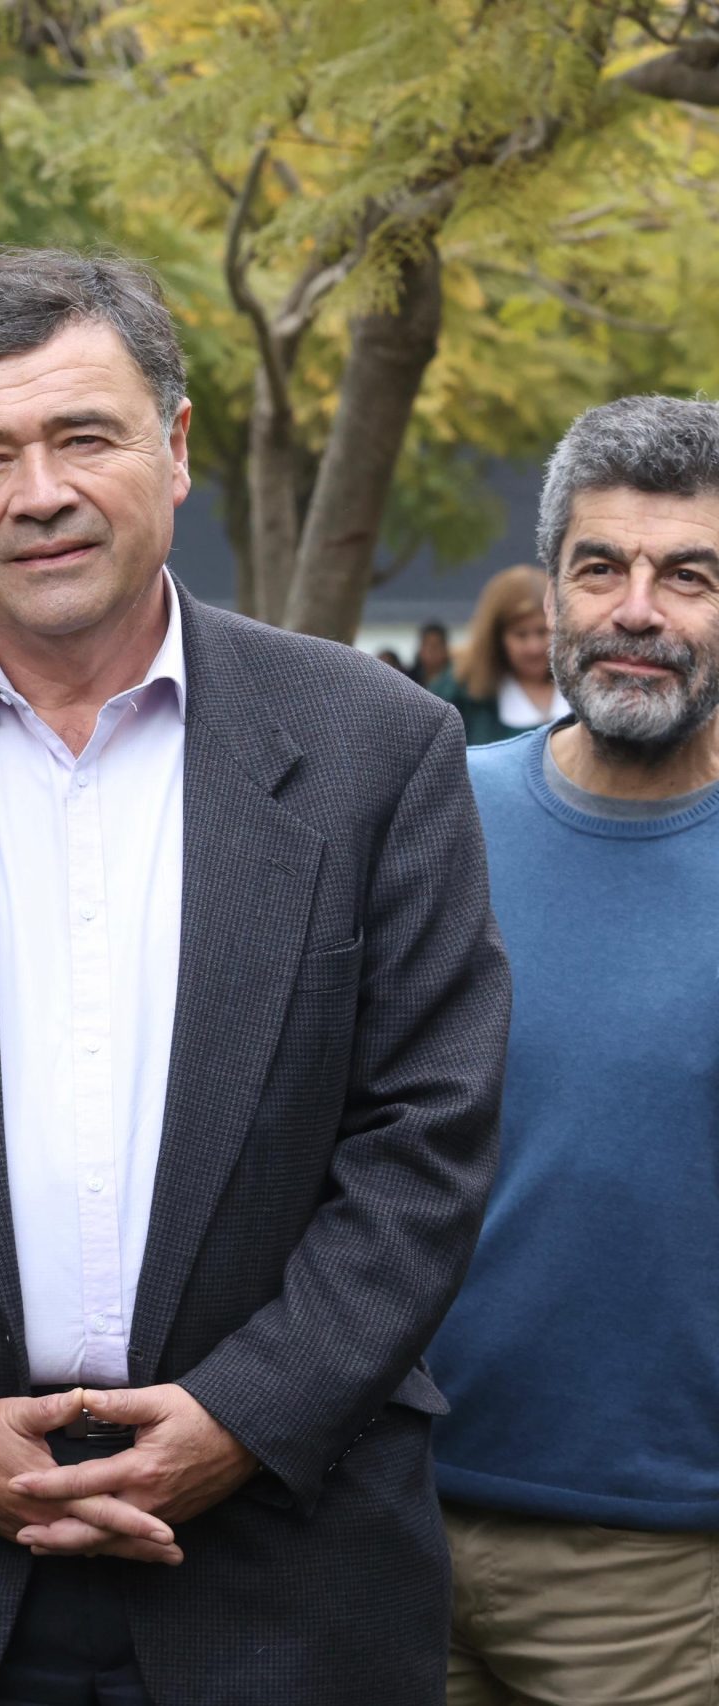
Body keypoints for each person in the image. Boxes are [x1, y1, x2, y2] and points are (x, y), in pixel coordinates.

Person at [0, 248, 512, 1706]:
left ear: (176, 449)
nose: (37, 491)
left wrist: (242, 1417)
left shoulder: (379, 747)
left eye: (83, 437)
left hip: (278, 1566)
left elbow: (425, 1142)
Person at [426, 396, 719, 1706]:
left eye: (690, 575)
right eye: (600, 566)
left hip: (659, 1577)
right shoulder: (434, 811)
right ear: (549, 591)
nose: (637, 609)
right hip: (379, 1524)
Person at [440, 566, 565, 745]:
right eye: (521, 634)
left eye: (542, 632)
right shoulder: (459, 696)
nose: (534, 647)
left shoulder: (587, 686)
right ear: (496, 638)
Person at [414, 621, 453, 691]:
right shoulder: (410, 678)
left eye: (435, 646)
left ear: (445, 649)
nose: (431, 651)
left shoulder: (455, 681)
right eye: (427, 645)